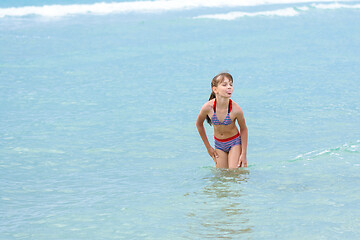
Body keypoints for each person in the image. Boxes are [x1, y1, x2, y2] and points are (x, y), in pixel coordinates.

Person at [196, 72, 248, 168]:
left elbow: (244, 129)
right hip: (219, 144)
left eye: (231, 85)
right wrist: (208, 147)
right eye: (224, 85)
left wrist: (243, 153)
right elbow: (199, 124)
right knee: (221, 176)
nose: (229, 87)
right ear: (215, 89)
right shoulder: (208, 107)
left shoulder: (236, 109)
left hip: (234, 143)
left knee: (233, 173)